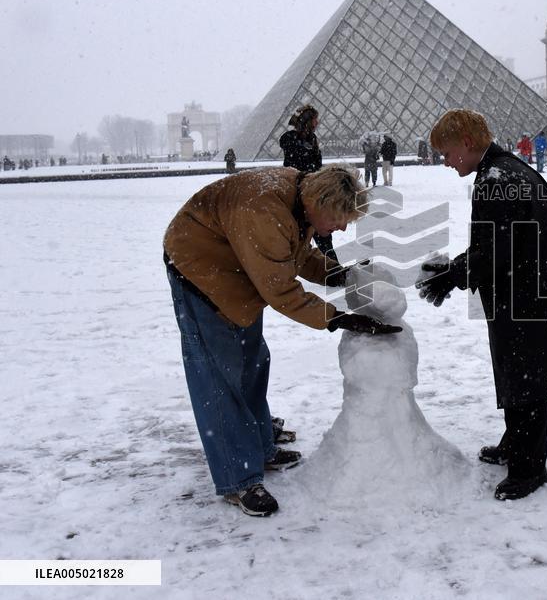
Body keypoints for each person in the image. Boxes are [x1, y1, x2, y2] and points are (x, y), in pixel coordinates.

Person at [164, 165, 401, 517]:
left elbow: (295, 253)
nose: (341, 228)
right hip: (201, 267)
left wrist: (338, 273)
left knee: (252, 362)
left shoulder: (299, 198)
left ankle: (260, 447)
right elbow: (281, 290)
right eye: (338, 219)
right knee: (219, 377)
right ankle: (238, 479)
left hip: (240, 267)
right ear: (319, 204)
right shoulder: (263, 211)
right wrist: (338, 319)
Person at [416, 109, 547, 501]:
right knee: (519, 371)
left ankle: (528, 468)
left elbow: (492, 251)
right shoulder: (508, 168)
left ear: (467, 143)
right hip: (533, 287)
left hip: (528, 294)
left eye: (447, 153)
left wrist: (450, 275)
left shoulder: (497, 179)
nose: (445, 161)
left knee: (525, 377)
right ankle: (515, 443)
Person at [279, 105, 334, 260]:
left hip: (313, 191)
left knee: (322, 235)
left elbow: (316, 164)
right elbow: (294, 166)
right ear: (307, 120)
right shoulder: (290, 138)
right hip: (296, 193)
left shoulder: (312, 139)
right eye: (315, 119)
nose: (318, 122)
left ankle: (332, 266)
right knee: (299, 233)